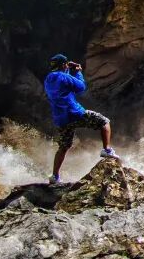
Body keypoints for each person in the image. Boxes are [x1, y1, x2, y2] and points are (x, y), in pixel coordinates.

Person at [44, 53, 117, 184]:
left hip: (61, 119)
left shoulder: (48, 79)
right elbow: (81, 87)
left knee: (63, 147)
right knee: (104, 122)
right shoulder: (64, 77)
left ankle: (55, 176)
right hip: (74, 113)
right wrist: (78, 72)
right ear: (63, 65)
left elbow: (63, 84)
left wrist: (67, 70)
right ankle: (106, 150)